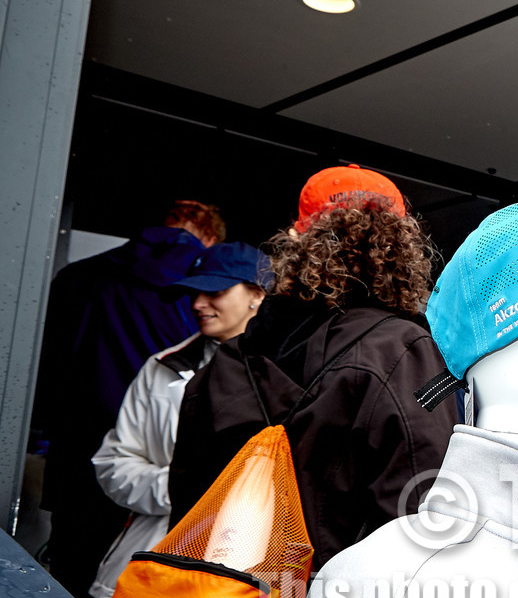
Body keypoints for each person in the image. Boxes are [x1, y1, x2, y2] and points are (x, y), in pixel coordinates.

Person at [167, 165, 458, 568]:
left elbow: (187, 501)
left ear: (295, 242)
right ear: (402, 248)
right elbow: (424, 502)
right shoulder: (406, 352)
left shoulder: (224, 362)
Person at [34, 199, 225, 598]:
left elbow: (44, 368)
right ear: (208, 237)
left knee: (67, 587)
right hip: (159, 478)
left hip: (78, 452)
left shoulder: (80, 275)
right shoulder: (204, 294)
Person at [87, 242, 270, 598]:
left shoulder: (291, 374)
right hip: (151, 571)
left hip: (246, 584)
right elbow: (113, 463)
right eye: (194, 292)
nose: (198, 303)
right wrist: (184, 488)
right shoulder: (161, 367)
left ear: (257, 295)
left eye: (214, 291)